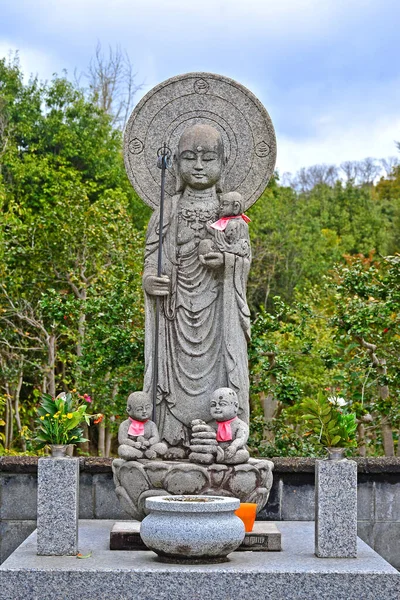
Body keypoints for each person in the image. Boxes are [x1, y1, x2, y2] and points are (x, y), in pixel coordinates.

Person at [143, 123, 251, 455]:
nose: (199, 166)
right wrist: (150, 280)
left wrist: (229, 262)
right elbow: (151, 257)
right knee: (171, 378)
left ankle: (222, 439)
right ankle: (170, 437)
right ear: (175, 163)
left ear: (223, 162)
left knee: (221, 370)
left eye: (208, 158)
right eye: (190, 158)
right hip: (174, 313)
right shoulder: (167, 209)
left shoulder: (233, 218)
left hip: (218, 313)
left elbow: (244, 257)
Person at [117, 392, 168, 460]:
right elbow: (122, 440)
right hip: (133, 448)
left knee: (162, 446)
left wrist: (149, 442)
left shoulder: (151, 424)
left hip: (149, 447)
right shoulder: (125, 425)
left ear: (152, 407)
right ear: (129, 410)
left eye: (147, 408)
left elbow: (156, 437)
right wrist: (134, 444)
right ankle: (142, 455)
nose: (144, 411)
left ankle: (147, 453)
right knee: (122, 449)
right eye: (140, 409)